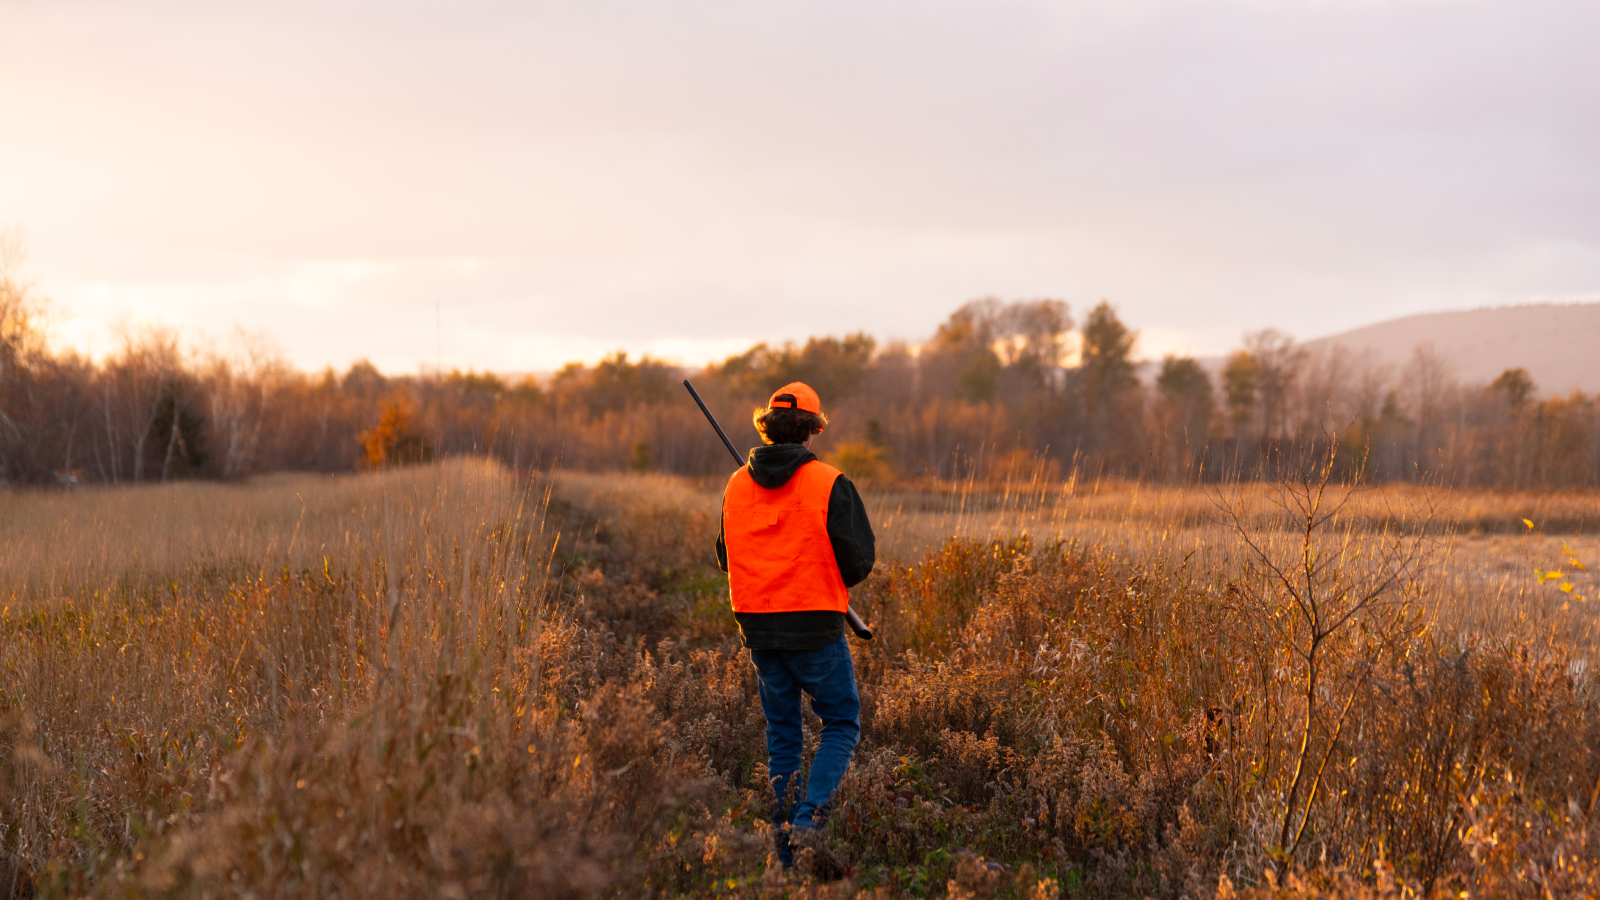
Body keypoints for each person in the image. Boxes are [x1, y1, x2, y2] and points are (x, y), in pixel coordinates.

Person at [715, 381, 875, 874]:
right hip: (813, 625)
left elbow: (725, 557)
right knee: (842, 723)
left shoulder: (736, 483)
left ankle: (783, 852)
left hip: (757, 628)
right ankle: (809, 820)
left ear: (768, 427)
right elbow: (858, 561)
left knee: (783, 733)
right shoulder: (829, 481)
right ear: (810, 431)